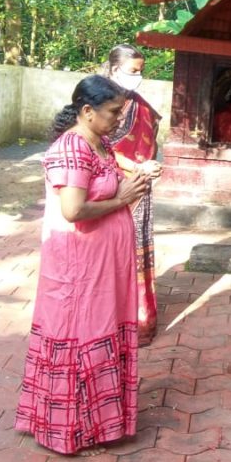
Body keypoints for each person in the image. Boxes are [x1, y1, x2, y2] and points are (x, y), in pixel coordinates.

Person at [15, 75, 149, 455]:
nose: (119, 121)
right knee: (82, 337)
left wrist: (135, 178)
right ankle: (71, 431)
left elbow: (110, 177)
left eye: (121, 113)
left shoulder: (99, 141)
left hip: (102, 267)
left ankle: (96, 424)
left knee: (99, 330)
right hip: (80, 268)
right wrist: (122, 198)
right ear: (87, 111)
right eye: (112, 113)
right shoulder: (72, 149)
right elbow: (73, 210)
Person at [102, 43, 162, 344]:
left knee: (135, 249)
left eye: (140, 72)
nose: (137, 77)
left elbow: (151, 140)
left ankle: (138, 318)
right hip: (107, 188)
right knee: (107, 252)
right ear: (114, 69)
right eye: (132, 71)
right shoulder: (96, 102)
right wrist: (133, 166)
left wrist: (152, 166)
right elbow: (99, 145)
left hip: (140, 186)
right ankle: (106, 320)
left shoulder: (141, 106)